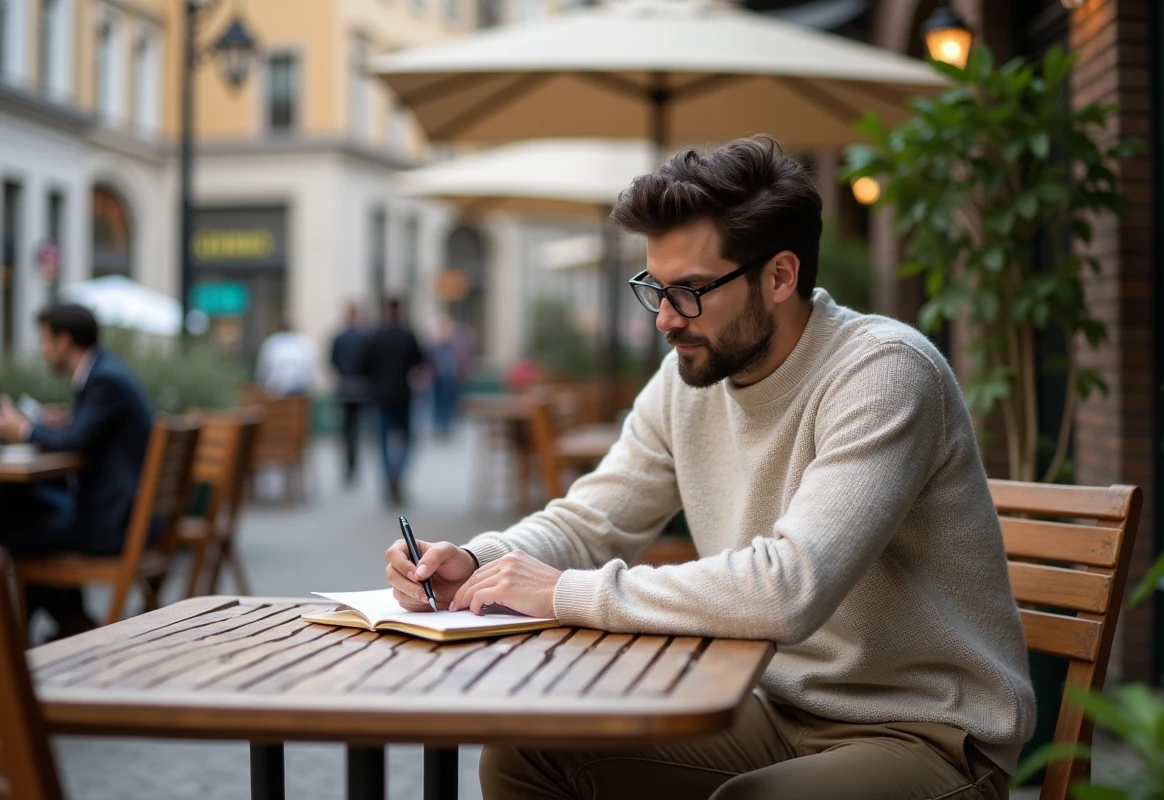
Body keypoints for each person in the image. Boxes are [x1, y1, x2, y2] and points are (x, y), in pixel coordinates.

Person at [385, 137, 1035, 800]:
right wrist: (478, 559)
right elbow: (591, 521)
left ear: (780, 277)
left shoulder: (884, 372)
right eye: (655, 290)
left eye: (691, 291)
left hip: (926, 733)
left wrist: (563, 593)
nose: (666, 319)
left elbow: (790, 588)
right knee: (524, 755)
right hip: (770, 706)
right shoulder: (685, 378)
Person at [0, 304, 153, 638]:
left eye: (44, 341)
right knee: (21, 505)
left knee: (12, 523)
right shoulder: (104, 371)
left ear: (64, 341)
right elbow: (85, 434)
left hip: (114, 523)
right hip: (126, 512)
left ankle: (49, 632)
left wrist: (22, 428)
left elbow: (76, 442)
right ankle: (71, 621)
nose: (43, 351)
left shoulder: (104, 380)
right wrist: (64, 422)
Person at [360, 298, 426, 505]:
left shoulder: (375, 336)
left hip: (379, 397)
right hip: (403, 395)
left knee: (381, 442)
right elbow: (420, 360)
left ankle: (389, 477)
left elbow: (363, 365)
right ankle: (398, 475)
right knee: (406, 440)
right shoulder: (407, 335)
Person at [330, 303, 371, 485]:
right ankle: (354, 464)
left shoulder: (340, 337)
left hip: (345, 386)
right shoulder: (365, 337)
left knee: (347, 428)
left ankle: (349, 465)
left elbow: (332, 360)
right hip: (361, 387)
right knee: (358, 426)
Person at [255, 319, 317, 397]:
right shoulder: (272, 343)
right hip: (278, 391)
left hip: (297, 390)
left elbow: (262, 371)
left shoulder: (272, 343)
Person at [430, 316, 468, 438]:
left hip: (451, 380)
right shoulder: (436, 346)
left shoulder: (454, 346)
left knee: (449, 405)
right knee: (438, 404)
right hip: (439, 380)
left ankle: (446, 426)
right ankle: (439, 426)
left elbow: (459, 362)